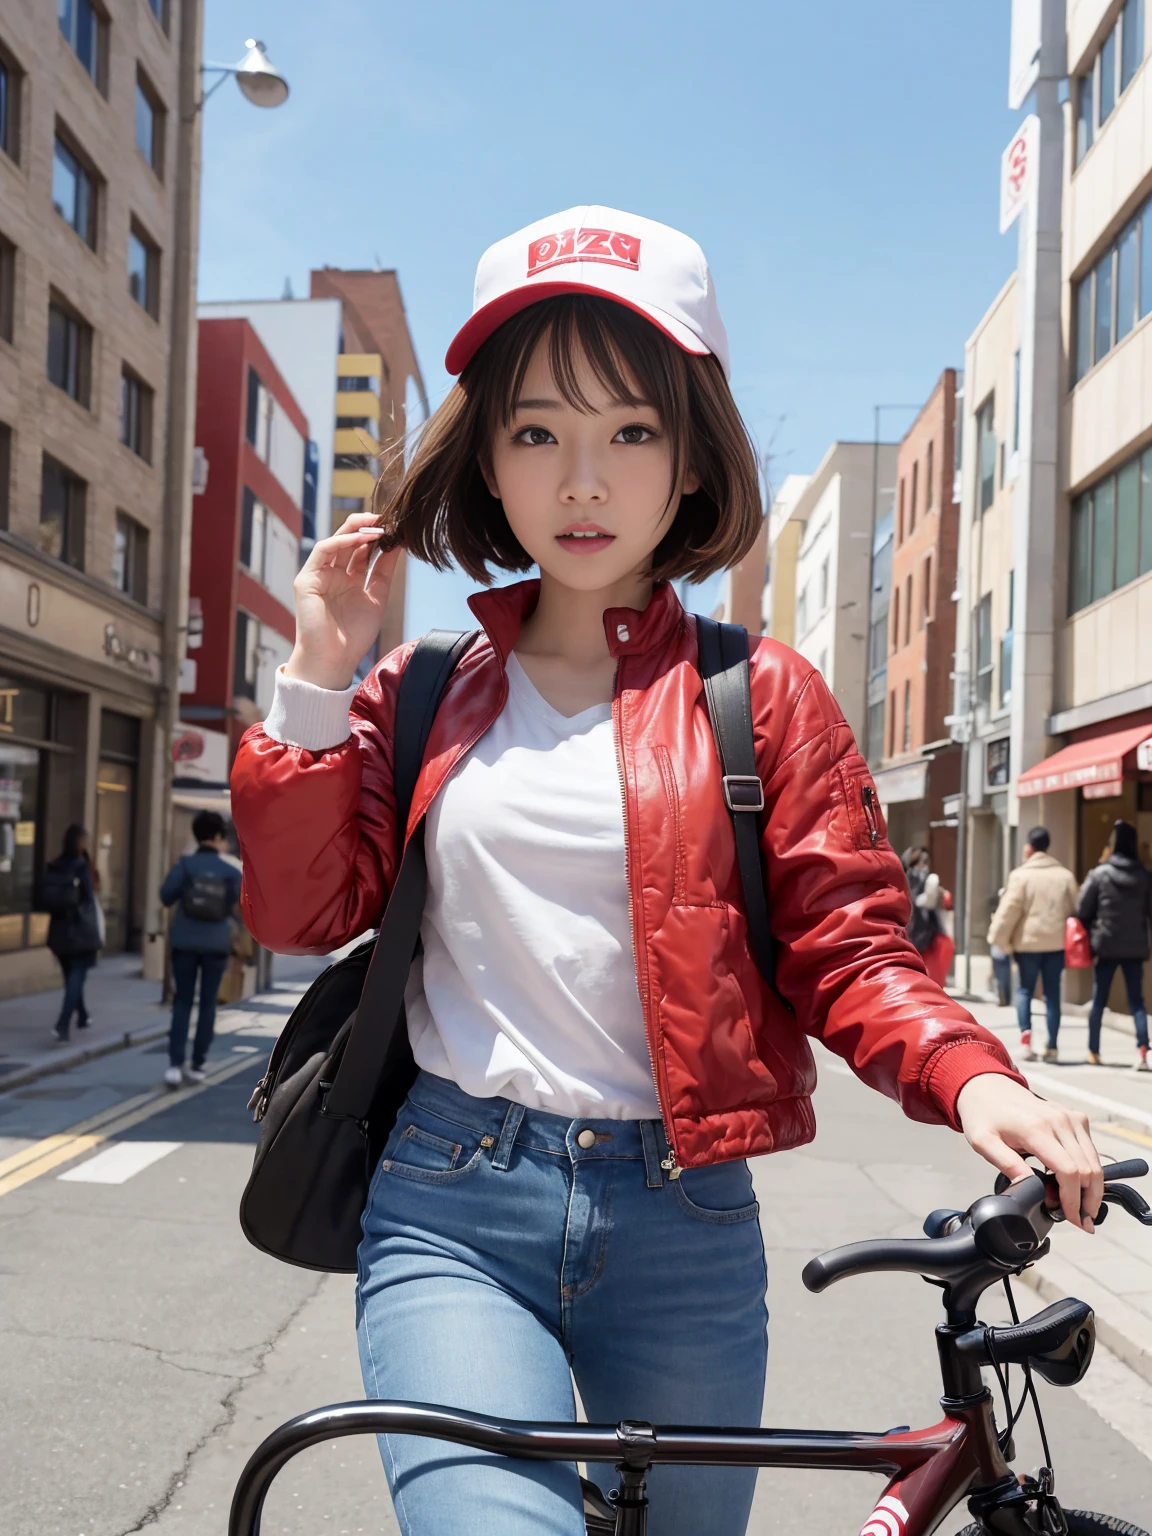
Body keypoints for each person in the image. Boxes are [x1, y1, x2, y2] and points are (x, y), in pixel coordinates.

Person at [231, 207, 1103, 1536]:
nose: (584, 479)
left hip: (684, 1223)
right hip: (450, 1202)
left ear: (692, 458)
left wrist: (971, 1070)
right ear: (490, 463)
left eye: (630, 430)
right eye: (536, 432)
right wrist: (310, 680)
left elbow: (850, 944)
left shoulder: (762, 695)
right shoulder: (413, 695)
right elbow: (302, 913)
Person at [159, 809, 242, 1088]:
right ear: (218, 836)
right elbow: (237, 905)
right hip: (216, 943)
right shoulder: (231, 871)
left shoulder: (184, 865)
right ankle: (198, 1064)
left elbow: (165, 895)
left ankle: (174, 1065)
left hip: (184, 940)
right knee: (208, 1005)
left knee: (182, 1002)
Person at [988, 826, 1080, 1063]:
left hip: (1027, 945)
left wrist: (1000, 939)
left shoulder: (1021, 876)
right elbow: (1075, 910)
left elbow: (1009, 911)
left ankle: (1026, 1041)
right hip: (1056, 945)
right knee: (1052, 993)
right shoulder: (1065, 876)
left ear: (1029, 847)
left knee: (1025, 991)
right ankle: (1052, 1046)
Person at [1077, 819, 1152, 1070]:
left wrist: (1093, 932)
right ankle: (1143, 1051)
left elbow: (1082, 909)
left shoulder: (1100, 873)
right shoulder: (1144, 876)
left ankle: (1093, 1051)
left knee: (1099, 999)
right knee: (1137, 1001)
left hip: (1106, 945)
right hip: (1135, 946)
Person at [42, 824, 102, 1043]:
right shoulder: (80, 866)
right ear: (80, 843)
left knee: (71, 976)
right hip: (80, 929)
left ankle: (83, 1016)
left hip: (58, 930)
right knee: (77, 975)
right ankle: (63, 1023)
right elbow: (88, 896)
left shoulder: (55, 866)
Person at [901, 845, 955, 988]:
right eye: (920, 863)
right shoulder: (909, 882)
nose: (923, 867)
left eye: (925, 863)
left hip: (918, 939)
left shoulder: (925, 883)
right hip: (916, 940)